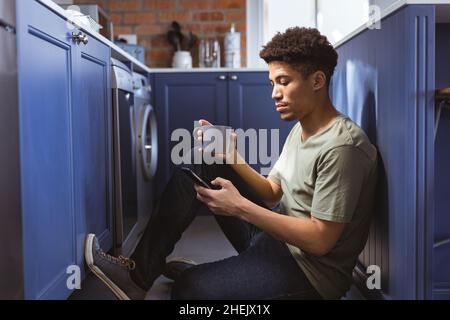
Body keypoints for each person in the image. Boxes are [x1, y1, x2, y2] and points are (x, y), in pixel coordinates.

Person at [84, 27, 378, 300]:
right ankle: (137, 276)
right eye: (272, 82)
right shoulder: (303, 129)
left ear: (317, 80)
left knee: (189, 292)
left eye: (284, 82)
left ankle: (210, 276)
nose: (274, 93)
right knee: (205, 162)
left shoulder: (343, 147)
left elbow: (320, 241)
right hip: (274, 241)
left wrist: (240, 207)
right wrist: (232, 158)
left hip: (309, 275)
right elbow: (273, 192)